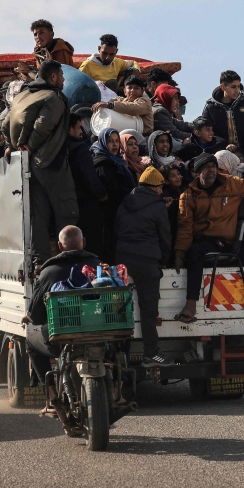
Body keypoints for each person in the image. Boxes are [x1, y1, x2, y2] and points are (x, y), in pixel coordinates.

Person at [0, 59, 79, 267]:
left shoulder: (22, 95)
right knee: (66, 210)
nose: (63, 80)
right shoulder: (54, 97)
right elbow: (43, 125)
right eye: (61, 75)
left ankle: (40, 260)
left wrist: (13, 146)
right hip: (50, 162)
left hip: (29, 166)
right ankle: (68, 260)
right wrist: (31, 145)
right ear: (53, 77)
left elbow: (6, 122)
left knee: (39, 215)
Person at [173, 154, 244, 323]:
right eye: (207, 167)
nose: (212, 170)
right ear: (198, 172)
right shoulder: (188, 195)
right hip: (200, 241)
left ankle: (191, 306)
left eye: (214, 166)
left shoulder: (231, 184)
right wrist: (179, 253)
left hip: (223, 242)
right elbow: (185, 227)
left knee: (195, 252)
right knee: (189, 251)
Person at [24, 226, 100, 383]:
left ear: (59, 246)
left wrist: (30, 315)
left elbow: (36, 318)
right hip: (99, 336)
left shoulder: (48, 272)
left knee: (30, 341)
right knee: (123, 340)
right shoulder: (99, 267)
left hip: (60, 340)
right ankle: (118, 388)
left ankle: (51, 394)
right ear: (84, 242)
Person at [115, 167, 174, 367]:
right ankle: (151, 354)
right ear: (154, 187)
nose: (161, 191)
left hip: (123, 261)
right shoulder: (158, 207)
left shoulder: (124, 202)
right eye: (160, 188)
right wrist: (165, 259)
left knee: (121, 310)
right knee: (148, 311)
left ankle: (119, 354)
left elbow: (116, 230)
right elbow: (165, 236)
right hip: (147, 261)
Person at [67, 113, 108, 259]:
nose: (81, 132)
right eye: (78, 127)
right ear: (70, 129)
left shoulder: (57, 149)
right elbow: (90, 178)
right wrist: (102, 194)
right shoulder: (80, 149)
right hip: (86, 206)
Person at [90, 128, 135, 263]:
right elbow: (112, 190)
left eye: (117, 141)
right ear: (103, 142)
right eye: (110, 141)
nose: (115, 145)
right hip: (108, 217)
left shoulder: (118, 161)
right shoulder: (102, 164)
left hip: (118, 214)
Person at [201, 70, 244, 163]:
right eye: (233, 87)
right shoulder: (211, 107)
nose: (237, 90)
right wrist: (224, 145)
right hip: (221, 157)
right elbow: (207, 131)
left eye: (238, 86)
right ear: (223, 87)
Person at [77, 33, 142, 94]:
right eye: (104, 53)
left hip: (113, 99)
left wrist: (136, 70)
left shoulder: (117, 62)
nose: (107, 57)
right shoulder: (87, 65)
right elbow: (78, 85)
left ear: (116, 51)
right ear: (99, 49)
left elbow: (133, 62)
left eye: (111, 54)